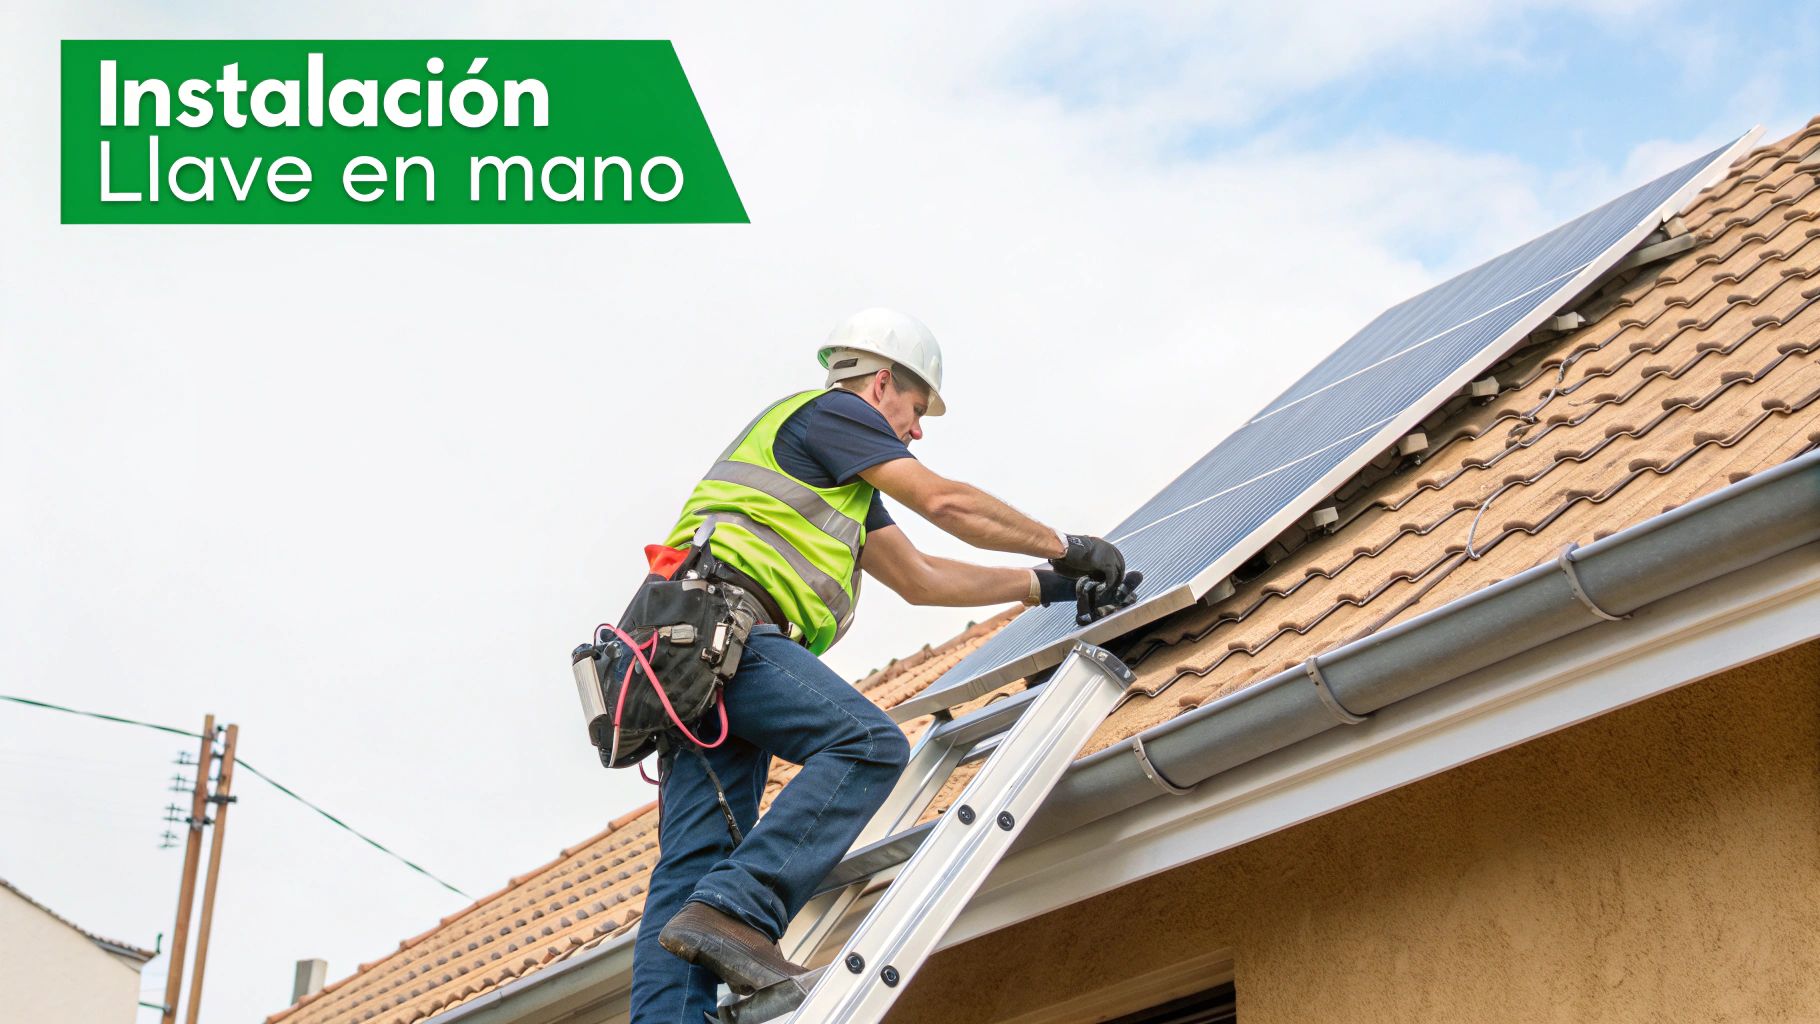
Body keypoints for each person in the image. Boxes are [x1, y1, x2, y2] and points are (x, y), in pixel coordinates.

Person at [629, 308, 1134, 1024]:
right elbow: (945, 502)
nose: (918, 430)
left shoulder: (835, 471)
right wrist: (1063, 545)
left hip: (678, 658)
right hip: (723, 632)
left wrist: (1042, 586)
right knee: (866, 744)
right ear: (883, 384)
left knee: (690, 866)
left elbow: (922, 578)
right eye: (917, 409)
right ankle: (740, 908)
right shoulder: (835, 415)